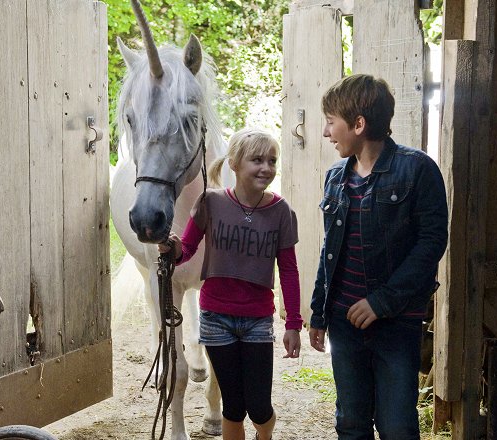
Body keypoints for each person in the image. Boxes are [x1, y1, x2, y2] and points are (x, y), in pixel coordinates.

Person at [309, 74, 448, 439]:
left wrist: (381, 303)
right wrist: (319, 312)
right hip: (344, 323)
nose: (326, 132)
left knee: (397, 426)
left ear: (358, 124)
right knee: (351, 423)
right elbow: (330, 249)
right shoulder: (335, 177)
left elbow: (432, 243)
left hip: (395, 323)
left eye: (330, 121)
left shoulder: (418, 169)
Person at [158, 127, 302, 440]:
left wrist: (293, 323)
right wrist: (172, 250)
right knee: (233, 406)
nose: (266, 167)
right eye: (257, 160)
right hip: (216, 319)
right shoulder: (210, 203)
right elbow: (187, 249)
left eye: (272, 160)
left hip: (257, 322)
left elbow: (289, 269)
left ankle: (265, 435)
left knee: (259, 407)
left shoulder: (281, 212)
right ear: (234, 164)